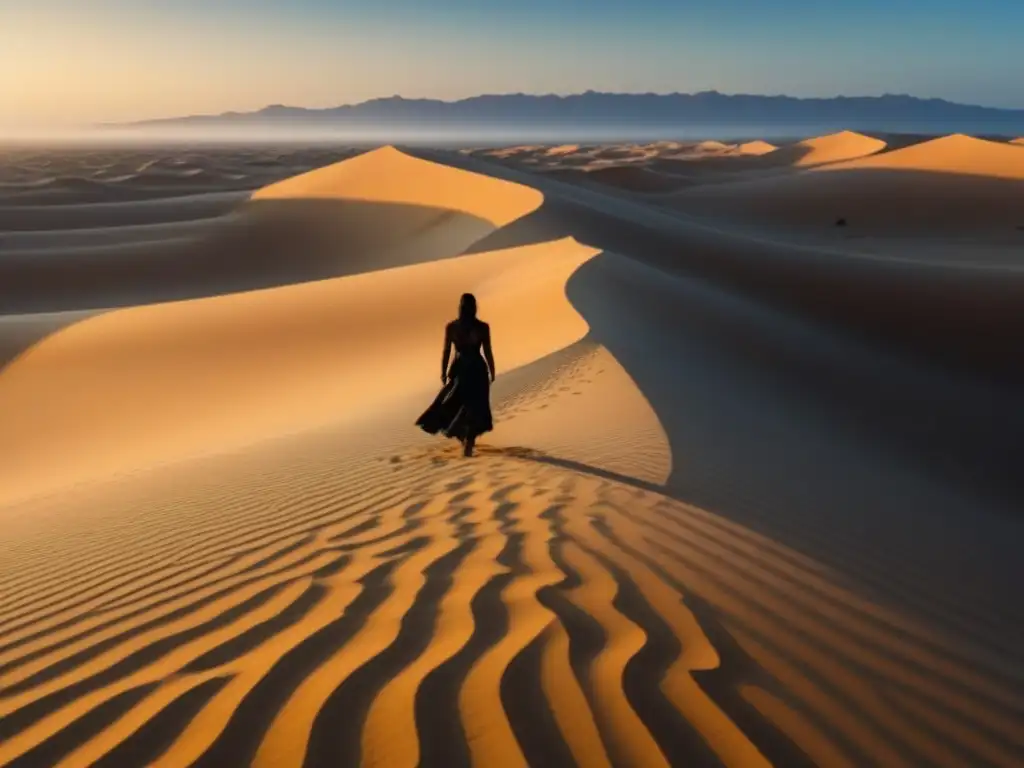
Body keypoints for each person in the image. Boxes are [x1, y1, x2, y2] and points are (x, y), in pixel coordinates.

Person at [416, 293, 495, 456]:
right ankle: (468, 441)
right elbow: (487, 351)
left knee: (456, 404)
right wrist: (492, 370)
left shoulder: (452, 327)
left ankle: (464, 439)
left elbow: (446, 351)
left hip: (460, 369)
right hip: (477, 370)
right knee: (475, 405)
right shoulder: (482, 327)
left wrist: (443, 372)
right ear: (474, 308)